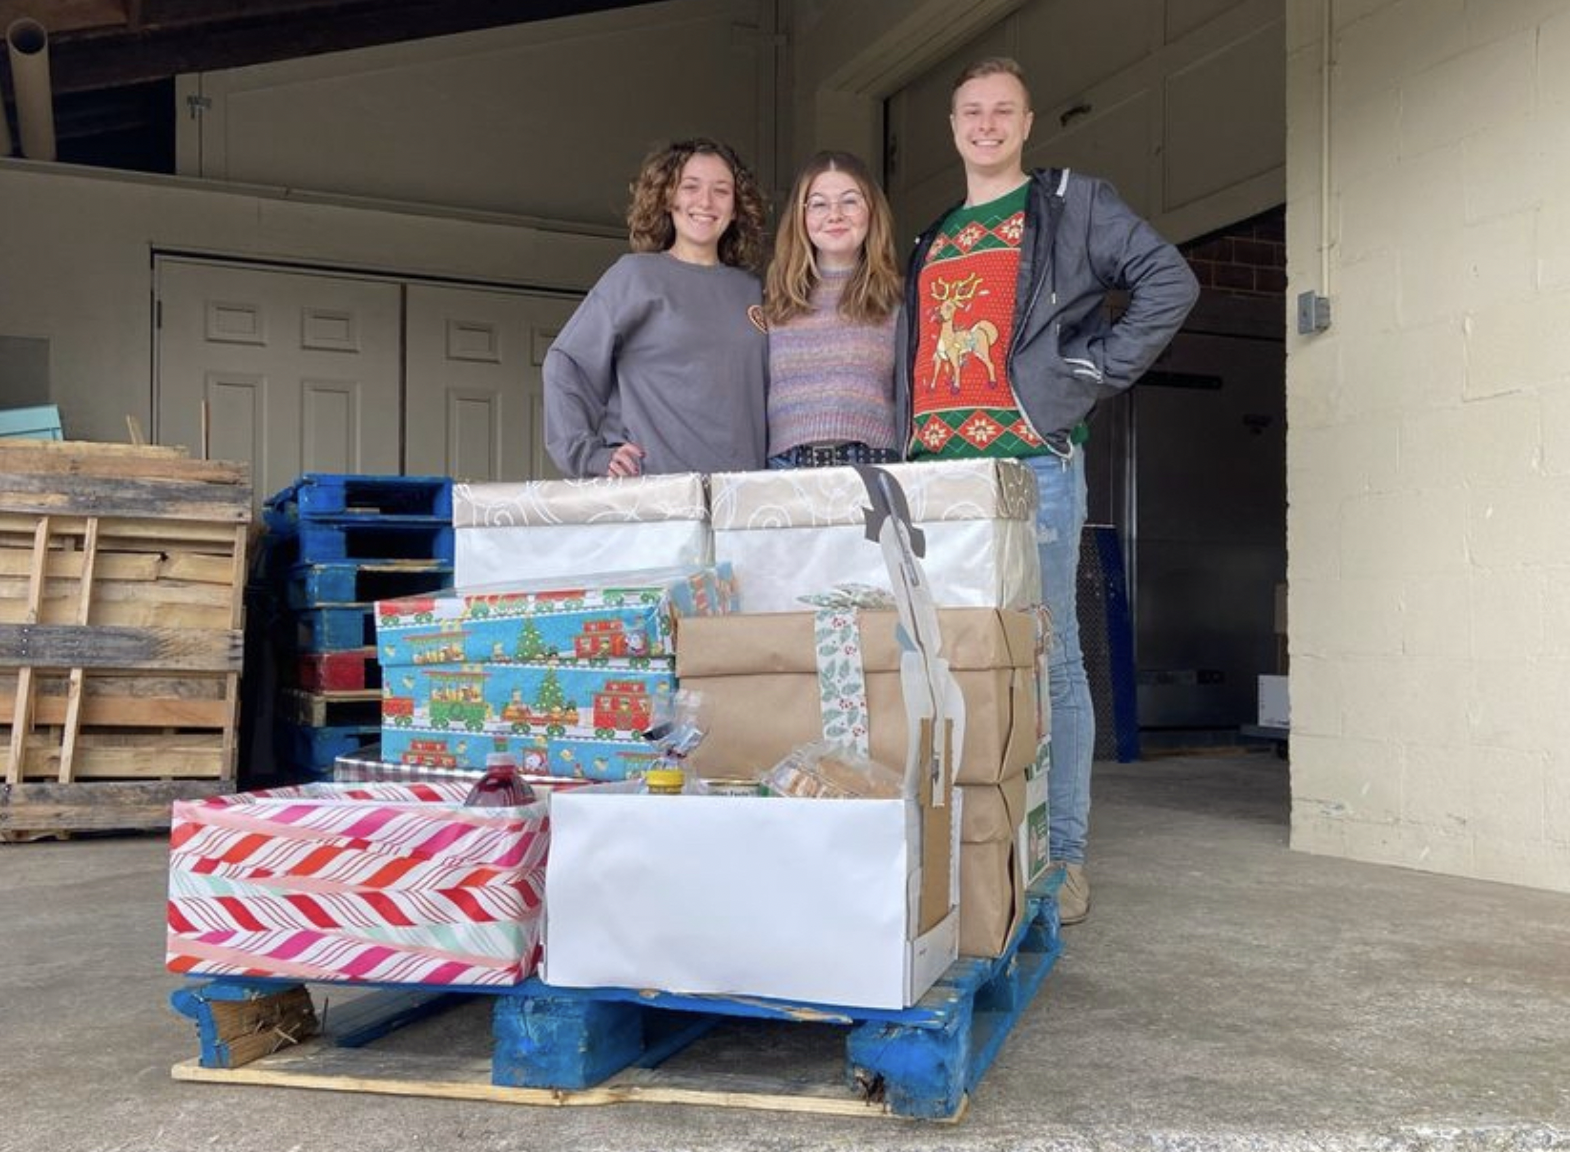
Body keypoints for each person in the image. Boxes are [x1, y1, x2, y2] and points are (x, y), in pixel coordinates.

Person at [896, 57, 1199, 925]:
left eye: (1002, 112)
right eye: (970, 112)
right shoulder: (939, 232)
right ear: (953, 127)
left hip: (1029, 466)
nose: (985, 125)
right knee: (948, 657)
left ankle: (1063, 859)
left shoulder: (1072, 204)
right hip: (937, 477)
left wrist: (1089, 374)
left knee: (1050, 656)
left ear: (1027, 123)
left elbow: (1168, 281)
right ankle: (974, 845)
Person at [545, 138, 770, 478]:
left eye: (721, 190)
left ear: (736, 206)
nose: (705, 201)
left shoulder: (753, 290)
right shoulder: (635, 276)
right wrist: (587, 454)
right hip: (657, 496)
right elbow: (567, 363)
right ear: (668, 197)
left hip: (744, 502)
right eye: (690, 187)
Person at [762, 151, 902, 468]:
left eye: (850, 201)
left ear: (872, 211)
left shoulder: (898, 300)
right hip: (785, 468)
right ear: (801, 216)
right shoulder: (773, 303)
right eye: (819, 204)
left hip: (872, 462)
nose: (835, 214)